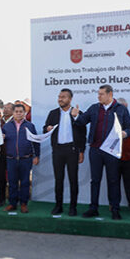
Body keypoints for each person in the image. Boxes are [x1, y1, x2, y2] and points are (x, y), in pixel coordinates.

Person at [72, 84, 130, 220]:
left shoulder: (121, 109)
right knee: (95, 180)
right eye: (98, 94)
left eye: (101, 94)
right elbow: (82, 121)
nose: (98, 96)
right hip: (95, 149)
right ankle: (93, 208)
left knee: (113, 180)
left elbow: (129, 127)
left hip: (112, 150)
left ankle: (115, 209)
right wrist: (76, 116)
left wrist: (125, 133)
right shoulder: (94, 108)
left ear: (110, 94)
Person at [43, 88, 86, 216]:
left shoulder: (77, 113)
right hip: (57, 151)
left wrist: (81, 151)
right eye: (59, 97)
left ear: (70, 99)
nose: (60, 99)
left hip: (72, 150)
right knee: (58, 179)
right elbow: (45, 128)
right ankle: (58, 206)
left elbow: (83, 133)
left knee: (73, 180)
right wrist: (47, 128)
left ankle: (73, 207)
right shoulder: (53, 113)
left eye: (63, 97)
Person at [3, 104, 40, 213]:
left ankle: (24, 203)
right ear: (13, 113)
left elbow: (36, 142)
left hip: (26, 158)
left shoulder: (30, 126)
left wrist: (37, 155)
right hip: (11, 158)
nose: (18, 113)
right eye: (16, 111)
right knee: (12, 182)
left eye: (21, 111)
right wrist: (2, 138)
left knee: (25, 182)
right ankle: (12, 203)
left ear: (24, 113)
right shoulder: (6, 126)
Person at [0, 102, 13, 206]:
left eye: (8, 108)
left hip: (12, 154)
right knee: (0, 178)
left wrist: (7, 136)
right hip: (0, 153)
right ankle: (1, 200)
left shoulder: (15, 122)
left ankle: (13, 199)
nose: (5, 110)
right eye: (4, 108)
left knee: (13, 178)